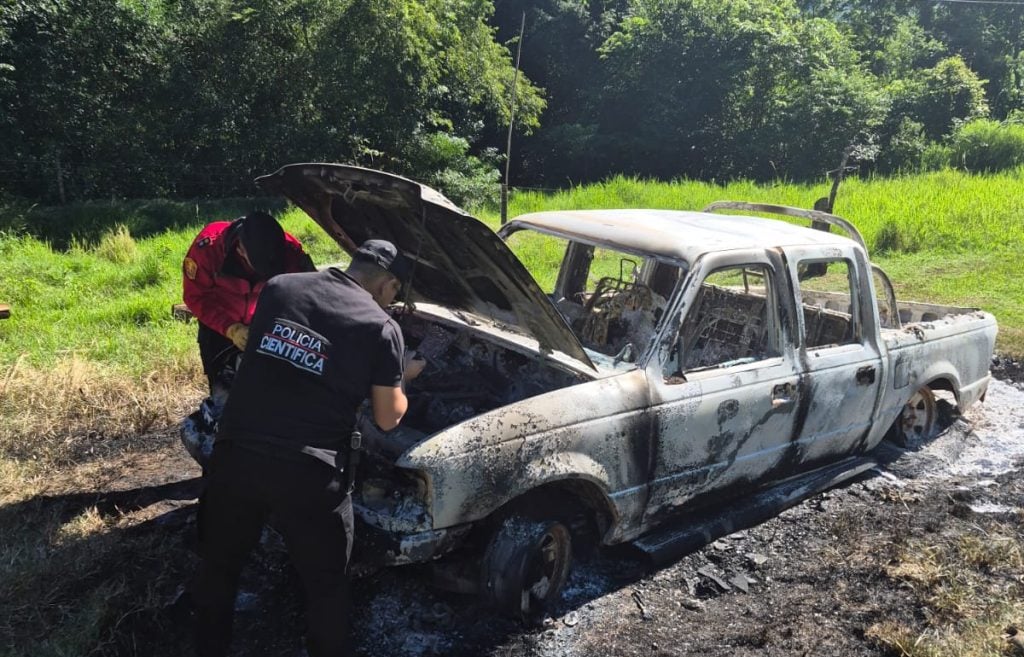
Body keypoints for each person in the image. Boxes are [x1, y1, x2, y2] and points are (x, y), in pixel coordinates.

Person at [192, 239, 426, 657]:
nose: (393, 302)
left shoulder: (281, 286)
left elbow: (285, 354)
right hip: (308, 473)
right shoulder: (381, 327)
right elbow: (388, 418)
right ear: (389, 283)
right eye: (395, 293)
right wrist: (403, 374)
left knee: (220, 568)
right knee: (326, 586)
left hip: (236, 453)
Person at [179, 211, 314, 467]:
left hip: (267, 325)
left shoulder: (290, 249)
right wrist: (230, 328)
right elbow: (196, 297)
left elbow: (307, 290)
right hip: (219, 328)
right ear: (240, 249)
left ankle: (265, 460)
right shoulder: (207, 249)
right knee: (224, 398)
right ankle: (222, 467)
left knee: (274, 395)